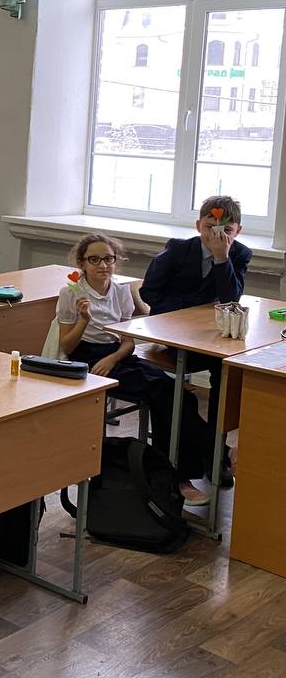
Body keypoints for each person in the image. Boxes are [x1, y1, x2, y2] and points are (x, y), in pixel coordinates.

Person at [58, 234, 210, 505]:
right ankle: (186, 473)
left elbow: (128, 342)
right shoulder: (72, 293)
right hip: (87, 356)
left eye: (108, 259)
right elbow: (67, 346)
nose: (103, 265)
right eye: (94, 260)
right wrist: (84, 320)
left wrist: (114, 358)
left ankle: (194, 464)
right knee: (163, 392)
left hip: (117, 356)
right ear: (82, 263)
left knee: (181, 394)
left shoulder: (121, 291)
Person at [140, 195, 252, 484]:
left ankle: (214, 454)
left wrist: (221, 258)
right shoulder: (178, 249)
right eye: (209, 227)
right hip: (171, 333)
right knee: (182, 386)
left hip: (208, 338)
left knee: (226, 372)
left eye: (226, 230)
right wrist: (186, 315)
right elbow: (148, 292)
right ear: (198, 225)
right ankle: (216, 453)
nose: (216, 235)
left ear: (237, 231)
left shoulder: (239, 254)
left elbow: (231, 299)